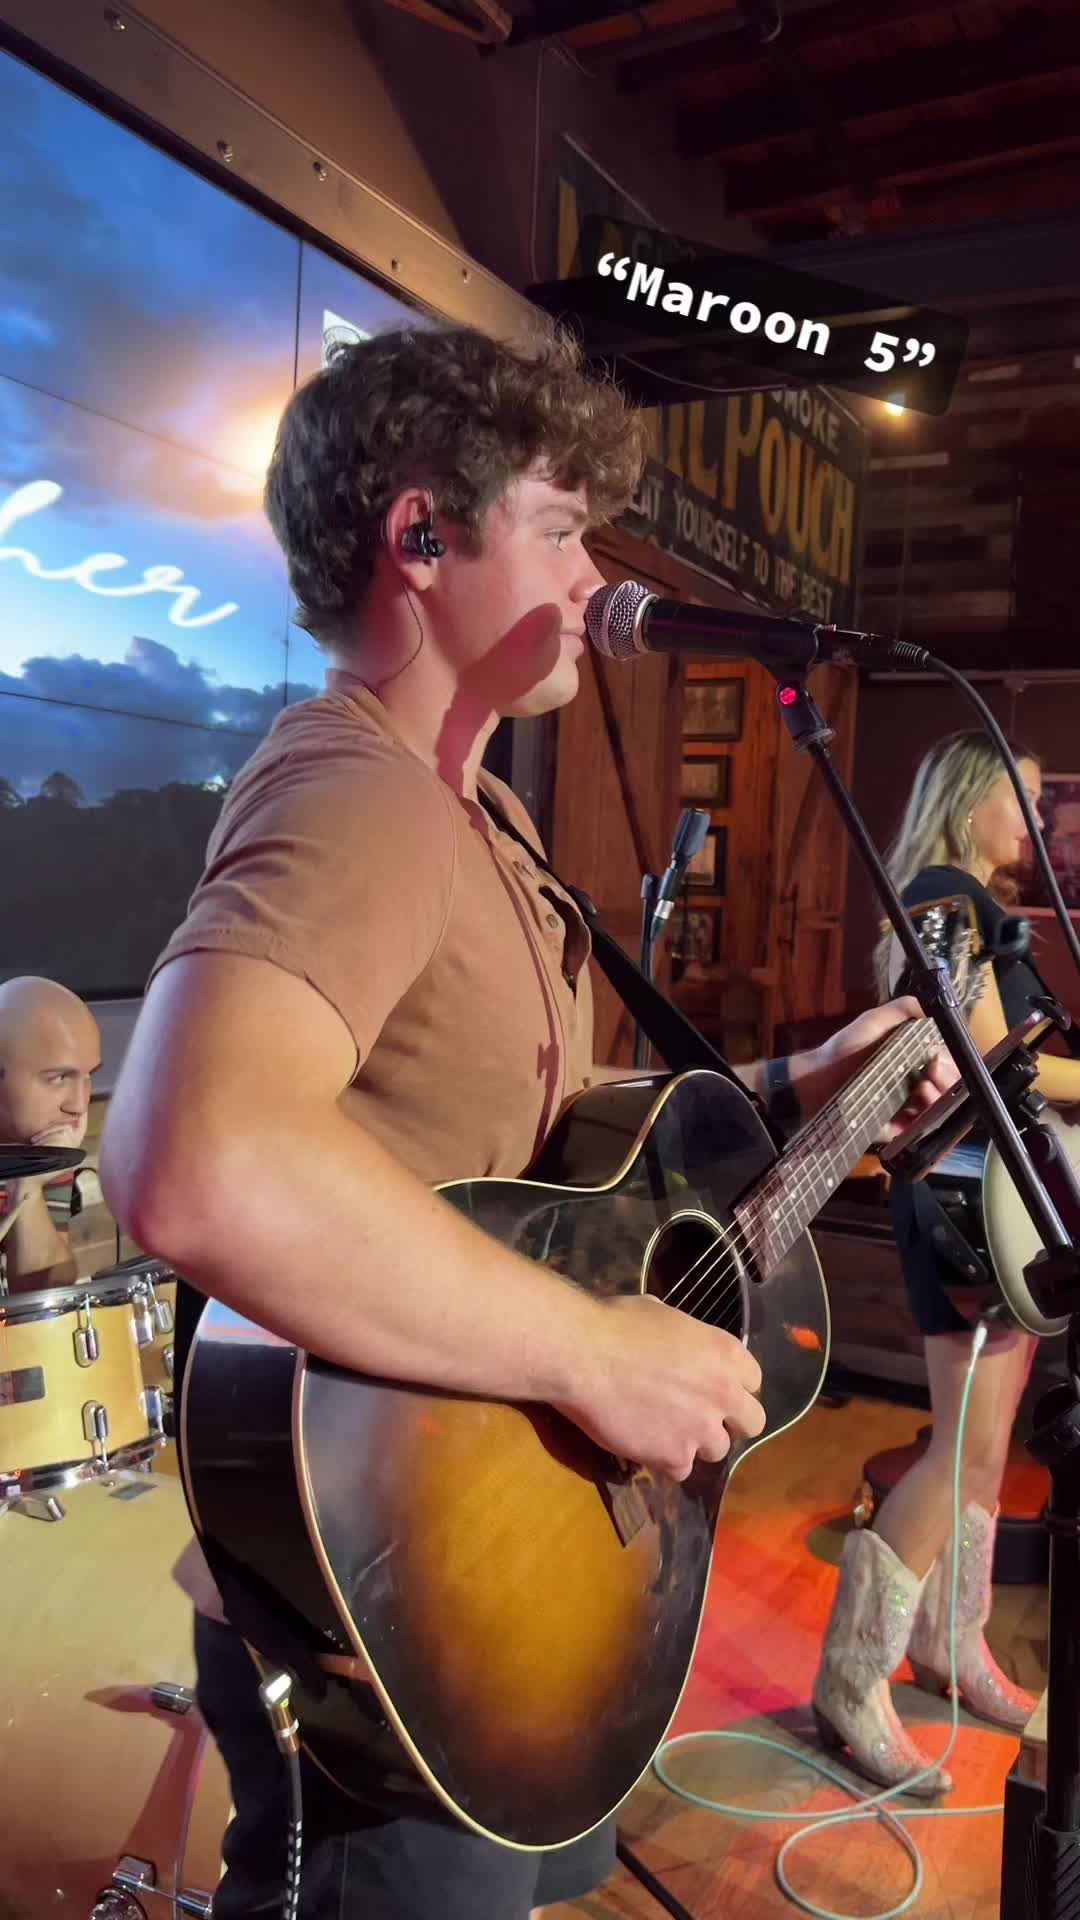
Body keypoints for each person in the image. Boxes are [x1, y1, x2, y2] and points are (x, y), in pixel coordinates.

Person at [99, 322, 954, 1920]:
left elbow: (573, 1157)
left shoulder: (480, 811)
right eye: (562, 529)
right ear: (422, 537)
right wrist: (594, 1353)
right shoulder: (360, 794)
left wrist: (807, 1087)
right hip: (383, 1585)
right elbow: (192, 1160)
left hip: (503, 1557)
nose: (594, 577)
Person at [814, 730, 1079, 1798]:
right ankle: (852, 1677)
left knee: (985, 1449)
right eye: (1021, 795)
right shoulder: (941, 895)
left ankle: (946, 1646)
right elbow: (985, 1059)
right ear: (969, 800)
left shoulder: (971, 905)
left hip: (995, 1203)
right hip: (964, 1203)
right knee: (960, 1450)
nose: (1037, 816)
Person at [0, 975, 100, 1293]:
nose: (79, 1105)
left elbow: (44, 1292)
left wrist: (28, 1185)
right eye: (59, 1078)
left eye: (88, 1077)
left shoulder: (40, 1145)